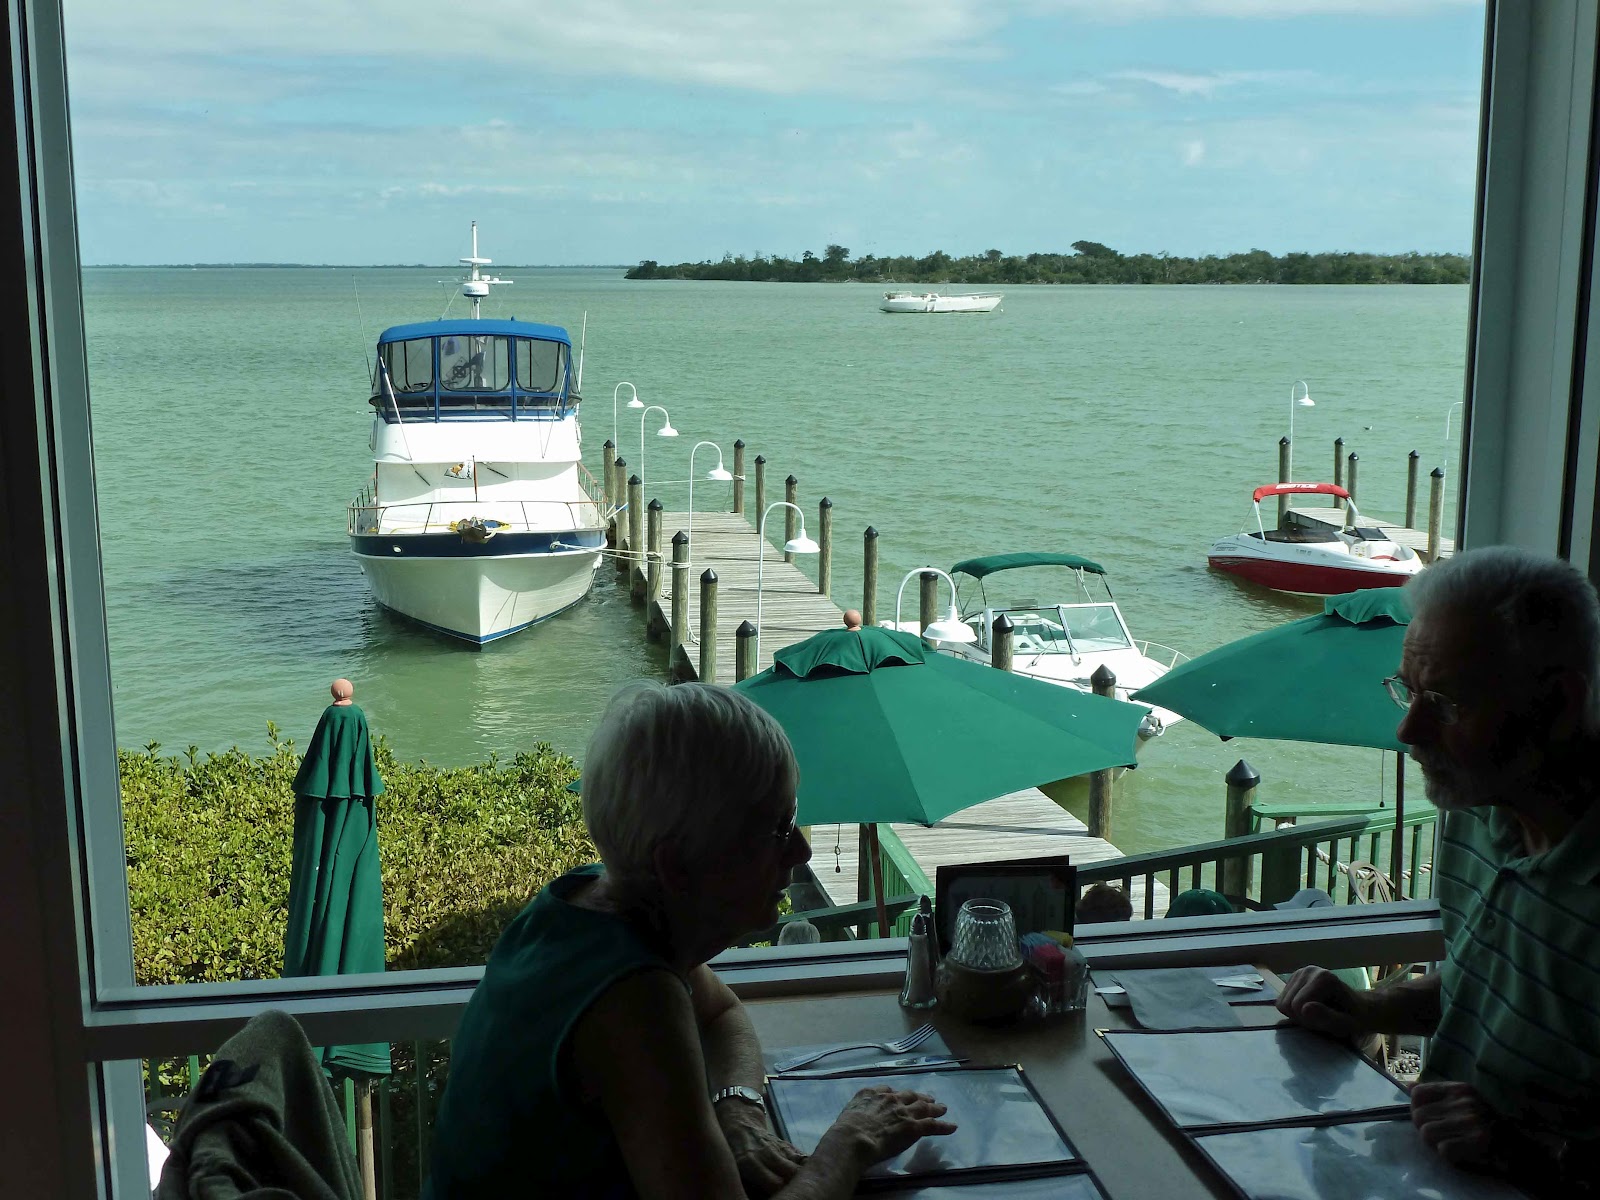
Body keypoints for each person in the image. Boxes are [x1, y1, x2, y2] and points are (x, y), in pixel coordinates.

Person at [425, 681, 955, 1200]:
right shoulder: (633, 1000)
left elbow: (722, 1013)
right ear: (677, 866)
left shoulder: (585, 903)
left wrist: (738, 1111)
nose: (800, 852)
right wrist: (851, 1143)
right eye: (775, 829)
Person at [1277, 547, 1600, 1194]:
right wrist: (1369, 1007)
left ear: (1559, 704)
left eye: (1448, 703)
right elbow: (1493, 982)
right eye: (1409, 690)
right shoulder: (1480, 809)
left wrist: (1538, 1156)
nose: (1407, 729)